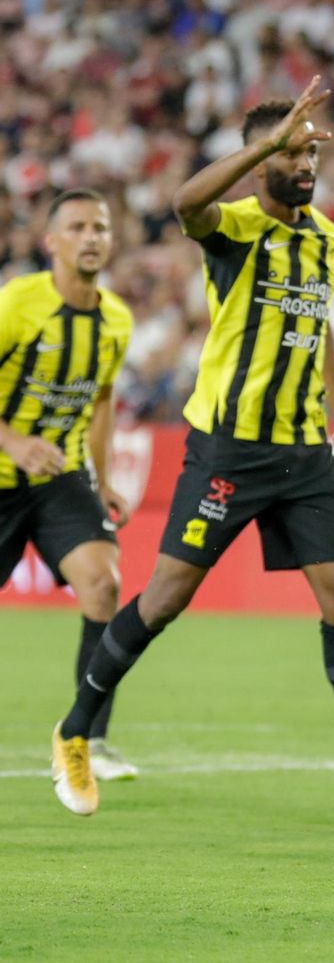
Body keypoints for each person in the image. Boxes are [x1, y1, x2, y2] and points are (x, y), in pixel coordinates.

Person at [50, 78, 334, 829]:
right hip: (230, 447)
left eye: (311, 149)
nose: (308, 162)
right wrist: (262, 141)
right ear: (260, 160)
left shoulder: (328, 238)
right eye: (293, 150)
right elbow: (183, 206)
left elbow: (316, 325)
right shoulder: (234, 226)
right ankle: (75, 728)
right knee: (164, 598)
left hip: (305, 453)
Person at [1, 190, 138, 782]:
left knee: (104, 585)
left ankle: (87, 737)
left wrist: (103, 480)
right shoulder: (16, 304)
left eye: (100, 227)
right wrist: (12, 442)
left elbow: (102, 400)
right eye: (78, 227)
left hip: (59, 480)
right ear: (51, 241)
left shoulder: (117, 319)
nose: (91, 237)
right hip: (4, 471)